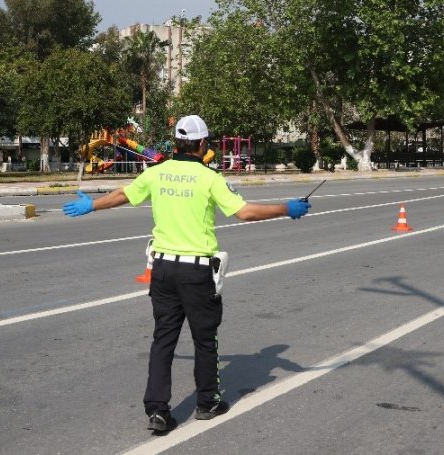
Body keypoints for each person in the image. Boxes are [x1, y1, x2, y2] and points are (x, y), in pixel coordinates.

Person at [62, 114, 311, 435]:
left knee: (163, 339)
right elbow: (244, 212)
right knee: (205, 339)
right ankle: (208, 402)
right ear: (203, 144)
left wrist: (91, 205)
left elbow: (123, 195)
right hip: (196, 272)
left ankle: (158, 412)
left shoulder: (157, 172)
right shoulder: (209, 178)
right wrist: (286, 208)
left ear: (176, 142)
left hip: (163, 269)